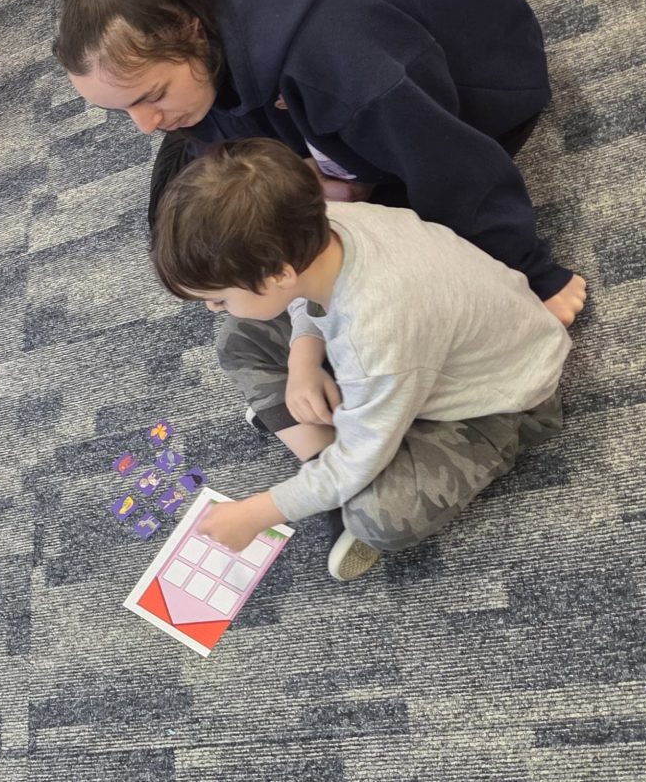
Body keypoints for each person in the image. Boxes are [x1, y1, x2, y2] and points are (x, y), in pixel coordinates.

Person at [51, 0, 588, 325]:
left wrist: (531, 275)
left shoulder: (344, 68)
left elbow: (455, 168)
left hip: (480, 78)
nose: (146, 126)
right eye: (124, 110)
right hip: (355, 56)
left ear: (192, 30)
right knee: (203, 216)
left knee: (370, 257)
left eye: (150, 96)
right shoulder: (187, 8)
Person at [150, 139, 569, 580]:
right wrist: (303, 357)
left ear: (278, 274)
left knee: (378, 518)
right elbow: (305, 295)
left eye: (219, 299)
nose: (213, 309)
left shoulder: (375, 332)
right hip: (416, 358)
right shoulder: (320, 225)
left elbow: (368, 394)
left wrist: (257, 512)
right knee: (239, 337)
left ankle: (336, 471)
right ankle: (330, 462)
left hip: (502, 403)